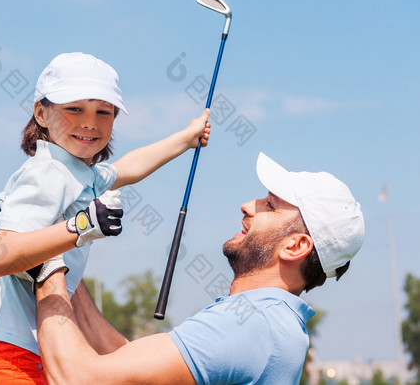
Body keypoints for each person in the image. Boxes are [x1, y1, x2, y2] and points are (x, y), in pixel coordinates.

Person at [0, 52, 211, 384]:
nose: (90, 122)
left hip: (28, 355)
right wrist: (82, 226)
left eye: (103, 112)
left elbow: (128, 168)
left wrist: (185, 138)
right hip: (6, 357)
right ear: (41, 113)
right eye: (74, 108)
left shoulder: (80, 174)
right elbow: (1, 254)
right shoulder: (48, 172)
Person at [35, 152, 365, 385]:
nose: (247, 206)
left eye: (270, 206)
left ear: (295, 246)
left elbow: (80, 378)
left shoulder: (254, 325)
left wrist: (45, 264)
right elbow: (128, 364)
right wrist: (65, 259)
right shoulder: (272, 322)